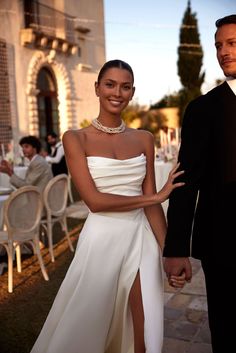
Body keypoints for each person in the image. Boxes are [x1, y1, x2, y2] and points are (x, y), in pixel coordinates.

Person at [30, 59, 185, 353]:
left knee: (145, 326)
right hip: (100, 240)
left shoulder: (144, 139)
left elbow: (152, 205)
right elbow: (95, 202)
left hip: (141, 239)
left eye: (125, 87)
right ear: (98, 88)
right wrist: (153, 198)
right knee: (89, 325)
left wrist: (171, 253)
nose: (117, 92)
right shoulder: (75, 138)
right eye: (110, 85)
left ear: (132, 91)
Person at [163, 14, 236, 353]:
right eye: (219, 45)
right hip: (224, 245)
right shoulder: (203, 109)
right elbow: (184, 182)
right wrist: (176, 248)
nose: (223, 51)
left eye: (232, 43)